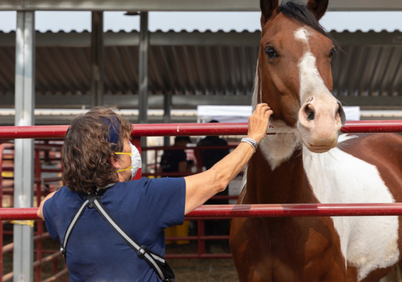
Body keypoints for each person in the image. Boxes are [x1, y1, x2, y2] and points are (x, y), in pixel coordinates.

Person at [37, 104, 272, 281]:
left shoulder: (60, 204)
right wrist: (253, 138)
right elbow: (217, 179)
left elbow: (43, 207)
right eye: (127, 144)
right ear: (114, 160)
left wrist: (76, 182)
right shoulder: (145, 197)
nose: (133, 149)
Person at [196, 120, 231, 252]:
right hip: (221, 179)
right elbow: (227, 161)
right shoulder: (222, 143)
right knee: (224, 213)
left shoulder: (201, 143)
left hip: (204, 179)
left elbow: (198, 161)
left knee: (205, 213)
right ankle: (221, 242)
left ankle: (205, 245)